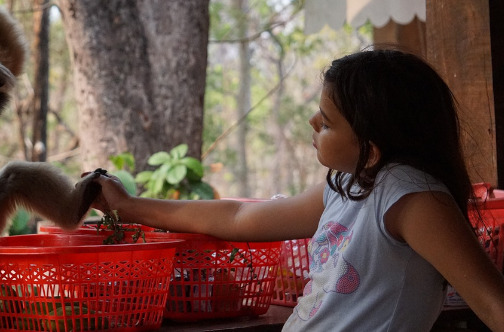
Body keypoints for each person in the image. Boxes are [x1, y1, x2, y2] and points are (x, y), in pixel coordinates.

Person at [88, 48, 504, 331]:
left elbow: (491, 303)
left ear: (371, 151)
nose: (311, 123)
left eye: (326, 122)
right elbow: (237, 217)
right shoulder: (346, 184)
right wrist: (129, 206)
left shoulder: (412, 199)